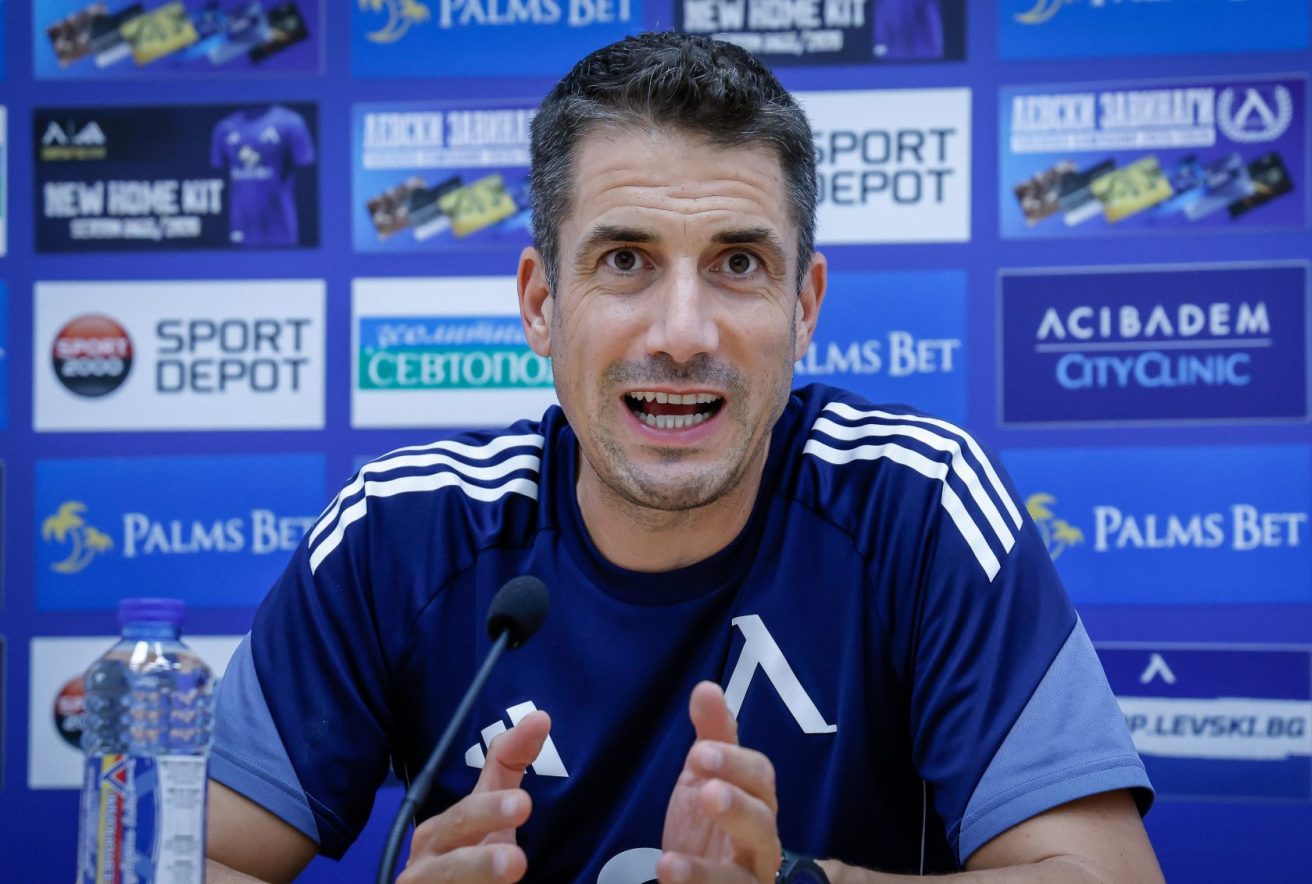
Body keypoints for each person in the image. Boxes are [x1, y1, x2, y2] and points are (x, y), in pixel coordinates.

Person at [205, 33, 1161, 883]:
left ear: (804, 307)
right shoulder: (401, 533)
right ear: (541, 304)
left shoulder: (918, 505)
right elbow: (183, 857)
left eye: (738, 264)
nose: (682, 332)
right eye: (625, 261)